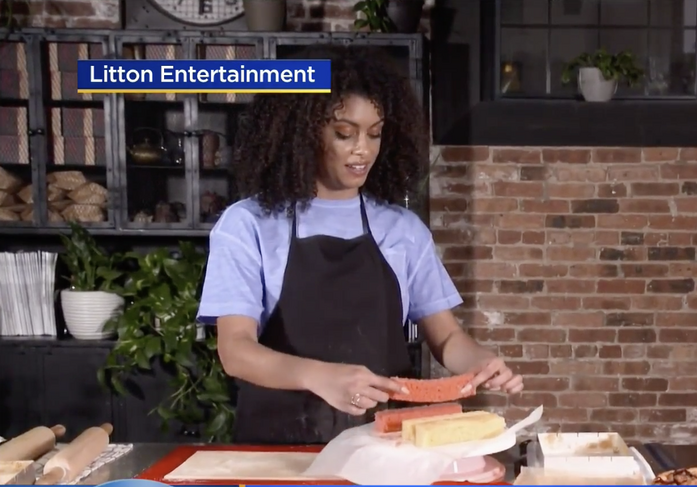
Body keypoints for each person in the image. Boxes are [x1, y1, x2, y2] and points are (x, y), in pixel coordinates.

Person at [196, 45, 523, 445]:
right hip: (279, 448)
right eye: (344, 133)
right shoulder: (249, 224)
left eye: (374, 133)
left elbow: (447, 338)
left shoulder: (402, 229)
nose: (363, 149)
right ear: (301, 133)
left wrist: (481, 362)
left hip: (387, 446)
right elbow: (236, 351)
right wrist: (323, 377)